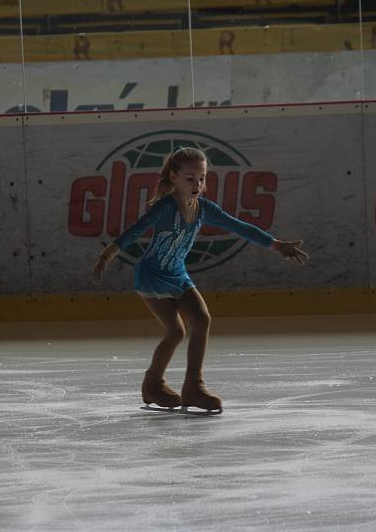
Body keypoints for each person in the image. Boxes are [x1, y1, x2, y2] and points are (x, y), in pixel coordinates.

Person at [92, 147, 308, 413]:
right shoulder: (165, 207)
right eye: (190, 178)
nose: (198, 184)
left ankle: (193, 386)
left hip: (177, 274)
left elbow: (238, 226)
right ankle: (153, 384)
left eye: (202, 178)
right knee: (176, 331)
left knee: (201, 319)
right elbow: (135, 231)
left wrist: (275, 245)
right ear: (174, 178)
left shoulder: (204, 208)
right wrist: (107, 254)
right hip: (152, 276)